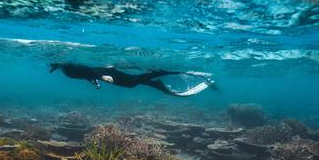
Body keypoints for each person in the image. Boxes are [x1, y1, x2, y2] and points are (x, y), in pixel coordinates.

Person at [49, 62, 215, 96]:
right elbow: (87, 75)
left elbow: (87, 70)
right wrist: (96, 83)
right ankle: (156, 81)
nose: (55, 66)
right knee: (132, 83)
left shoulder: (70, 69)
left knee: (133, 82)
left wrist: (101, 76)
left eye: (56, 64)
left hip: (108, 73)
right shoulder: (66, 70)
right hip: (105, 75)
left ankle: (159, 73)